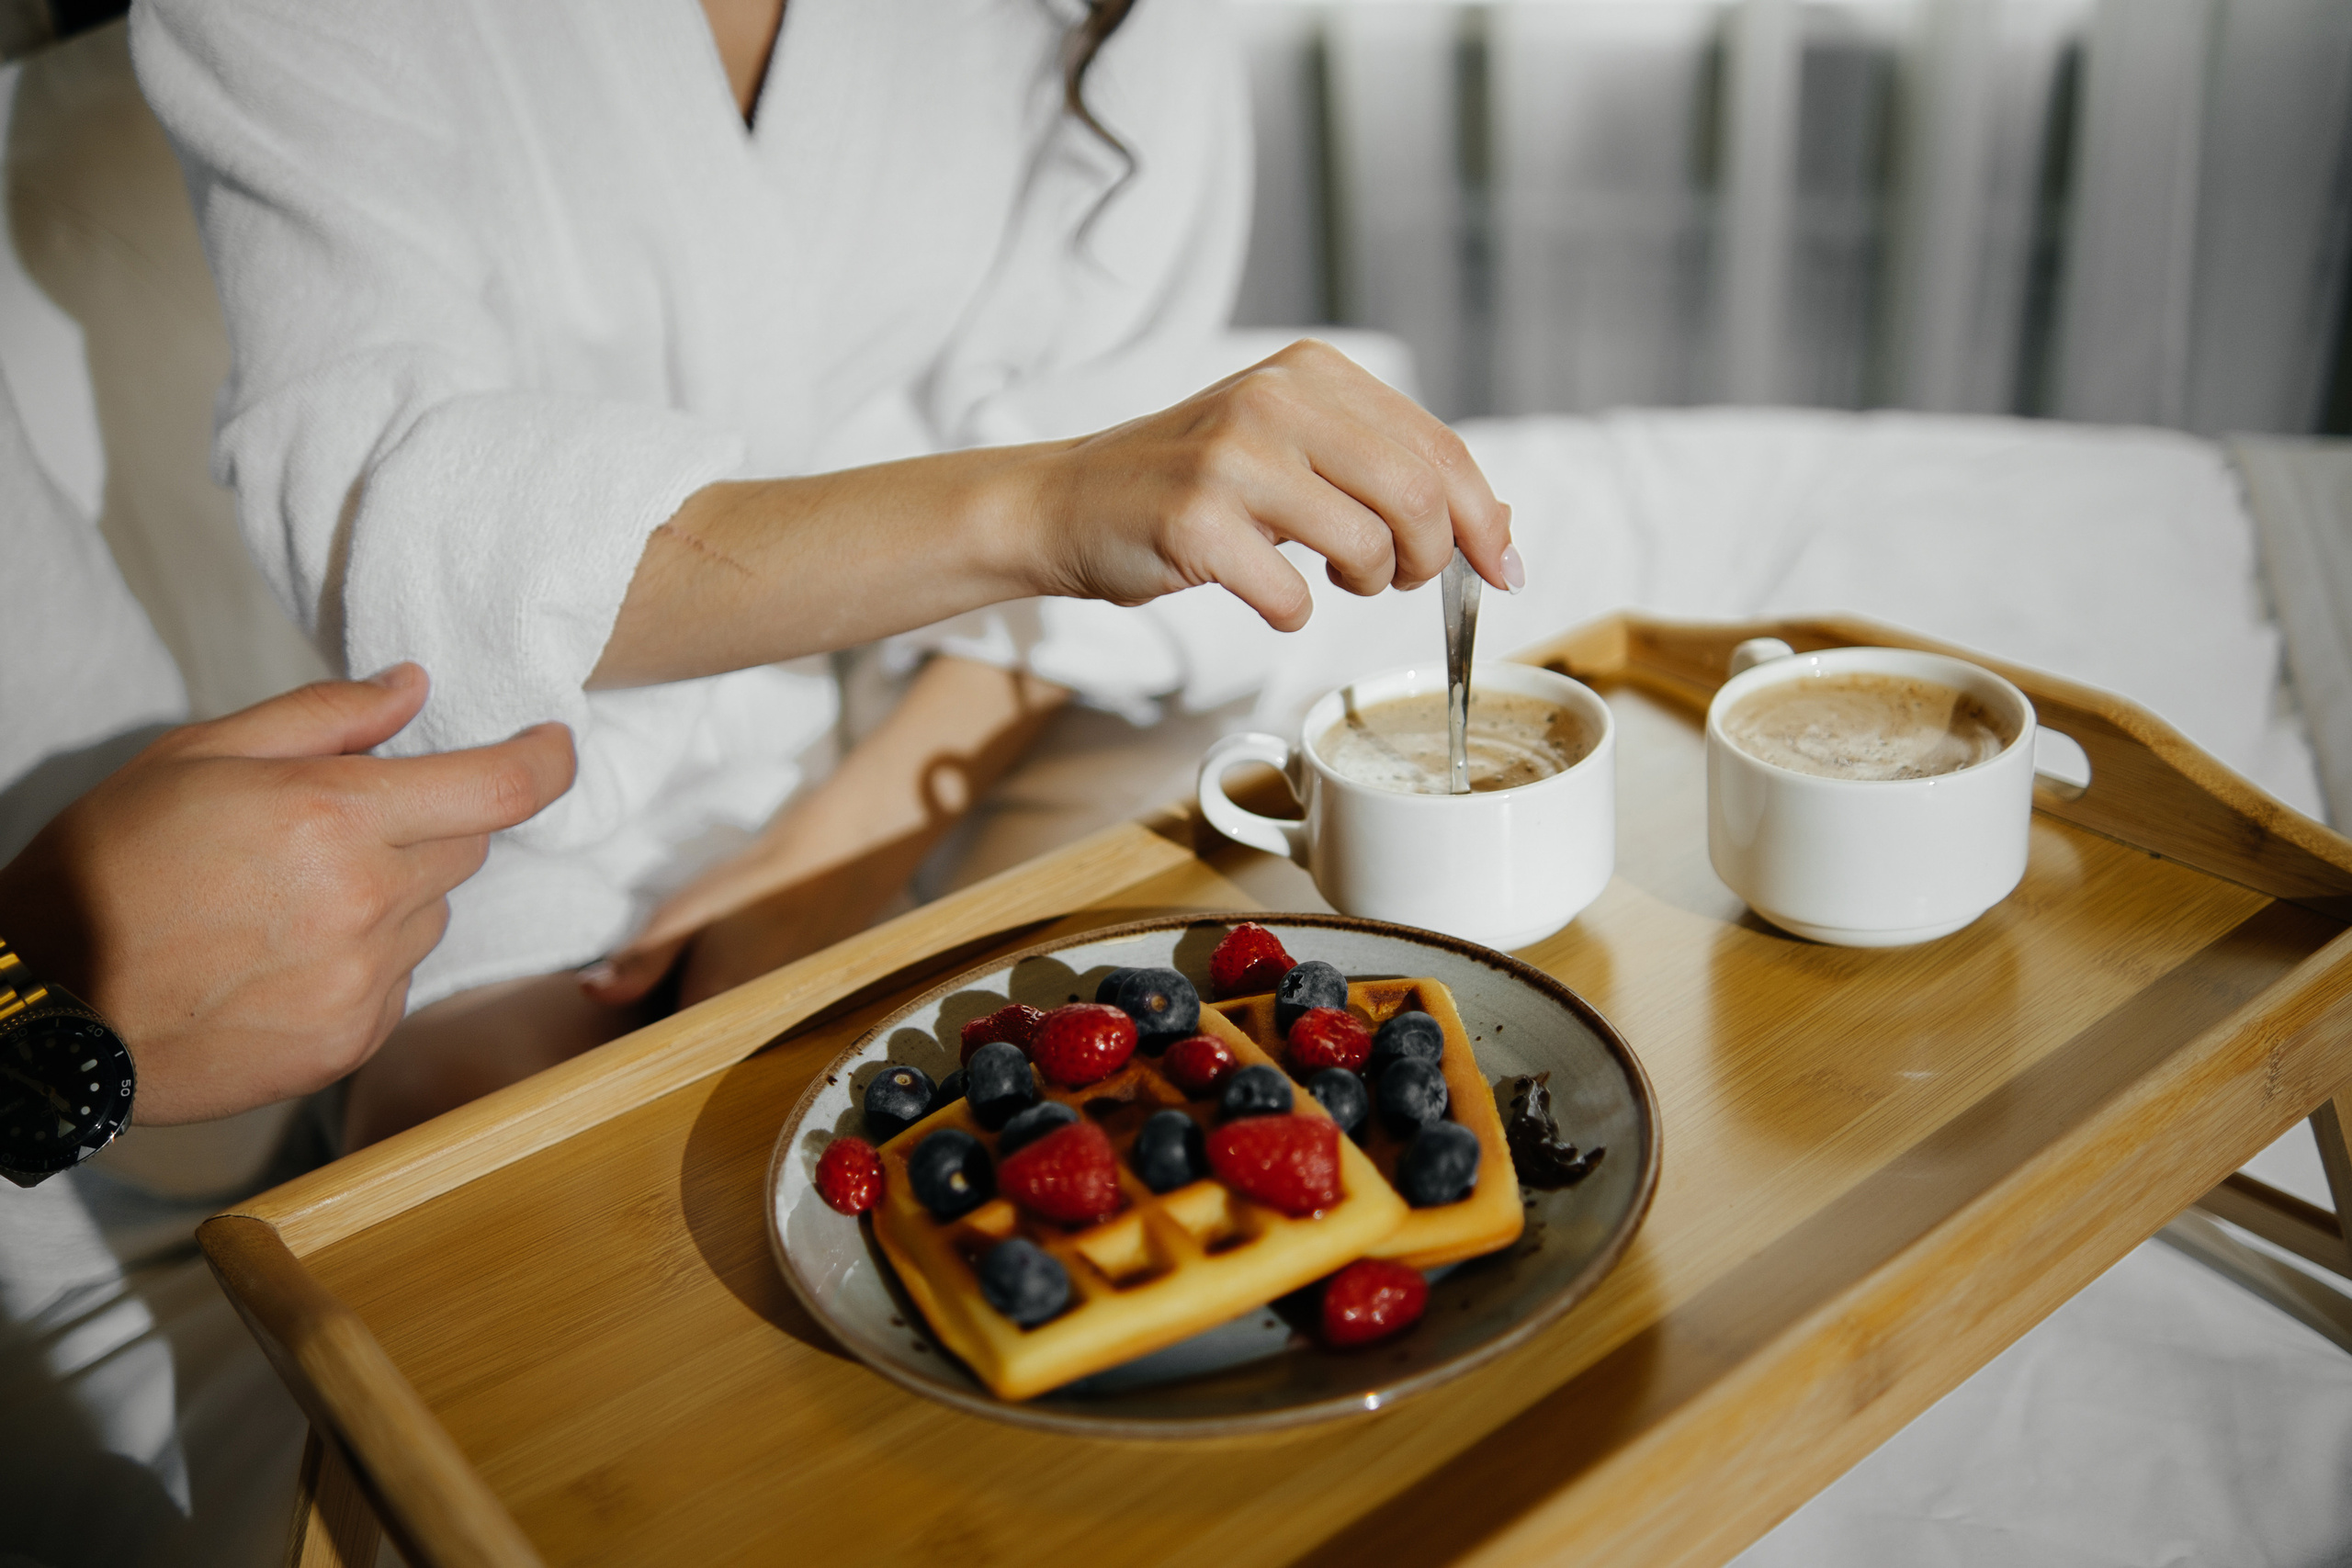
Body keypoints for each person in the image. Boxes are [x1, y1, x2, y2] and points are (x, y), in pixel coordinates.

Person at [130, 0, 1523, 1145]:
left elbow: (1094, 375)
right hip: (500, 773)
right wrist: (1043, 501)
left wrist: (854, 838)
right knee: (496, 1223)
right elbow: (405, 511)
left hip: (939, 700)